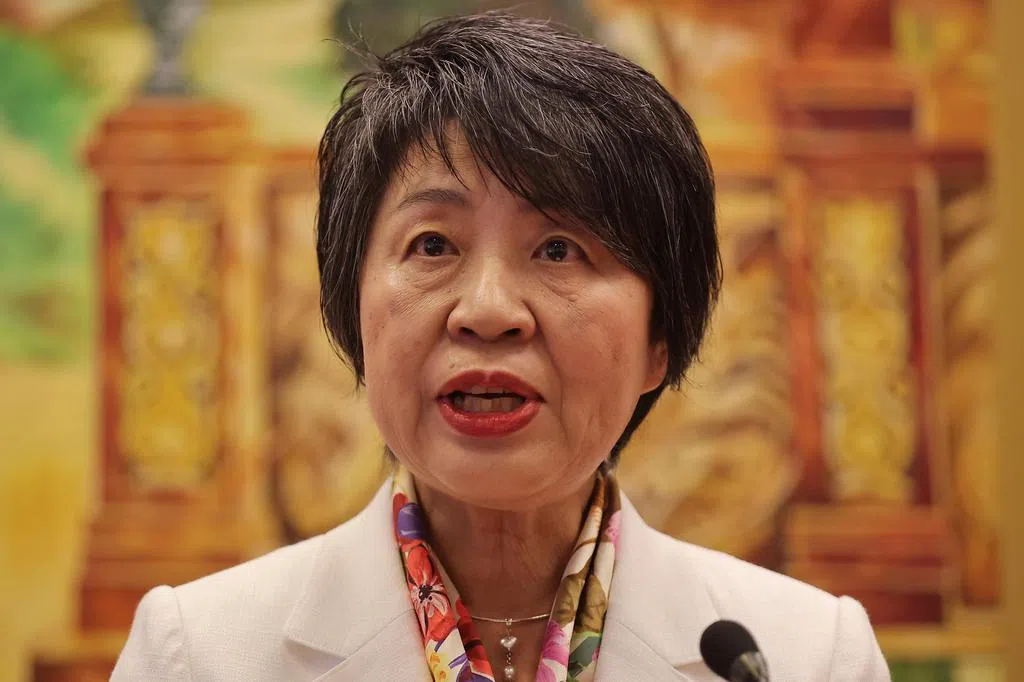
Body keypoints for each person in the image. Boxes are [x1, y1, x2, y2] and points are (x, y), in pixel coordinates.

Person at [112, 12, 890, 682]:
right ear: (353, 307)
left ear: (661, 338)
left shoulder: (803, 656)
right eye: (432, 244)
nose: (487, 312)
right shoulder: (199, 653)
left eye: (559, 250)